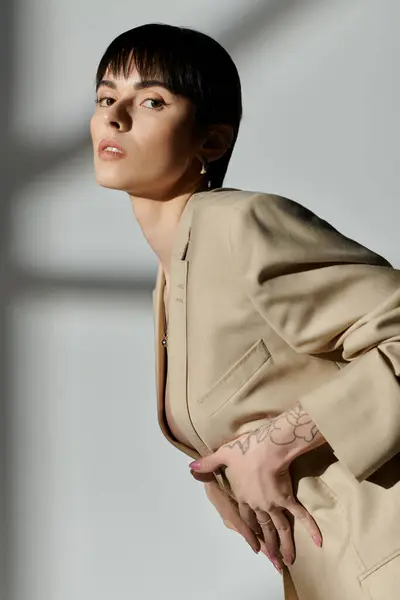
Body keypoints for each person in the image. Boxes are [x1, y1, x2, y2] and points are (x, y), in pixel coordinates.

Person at [90, 22, 400, 600]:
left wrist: (282, 440)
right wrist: (225, 476)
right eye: (107, 98)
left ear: (211, 140)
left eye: (151, 100)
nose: (115, 116)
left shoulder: (239, 225)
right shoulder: (173, 273)